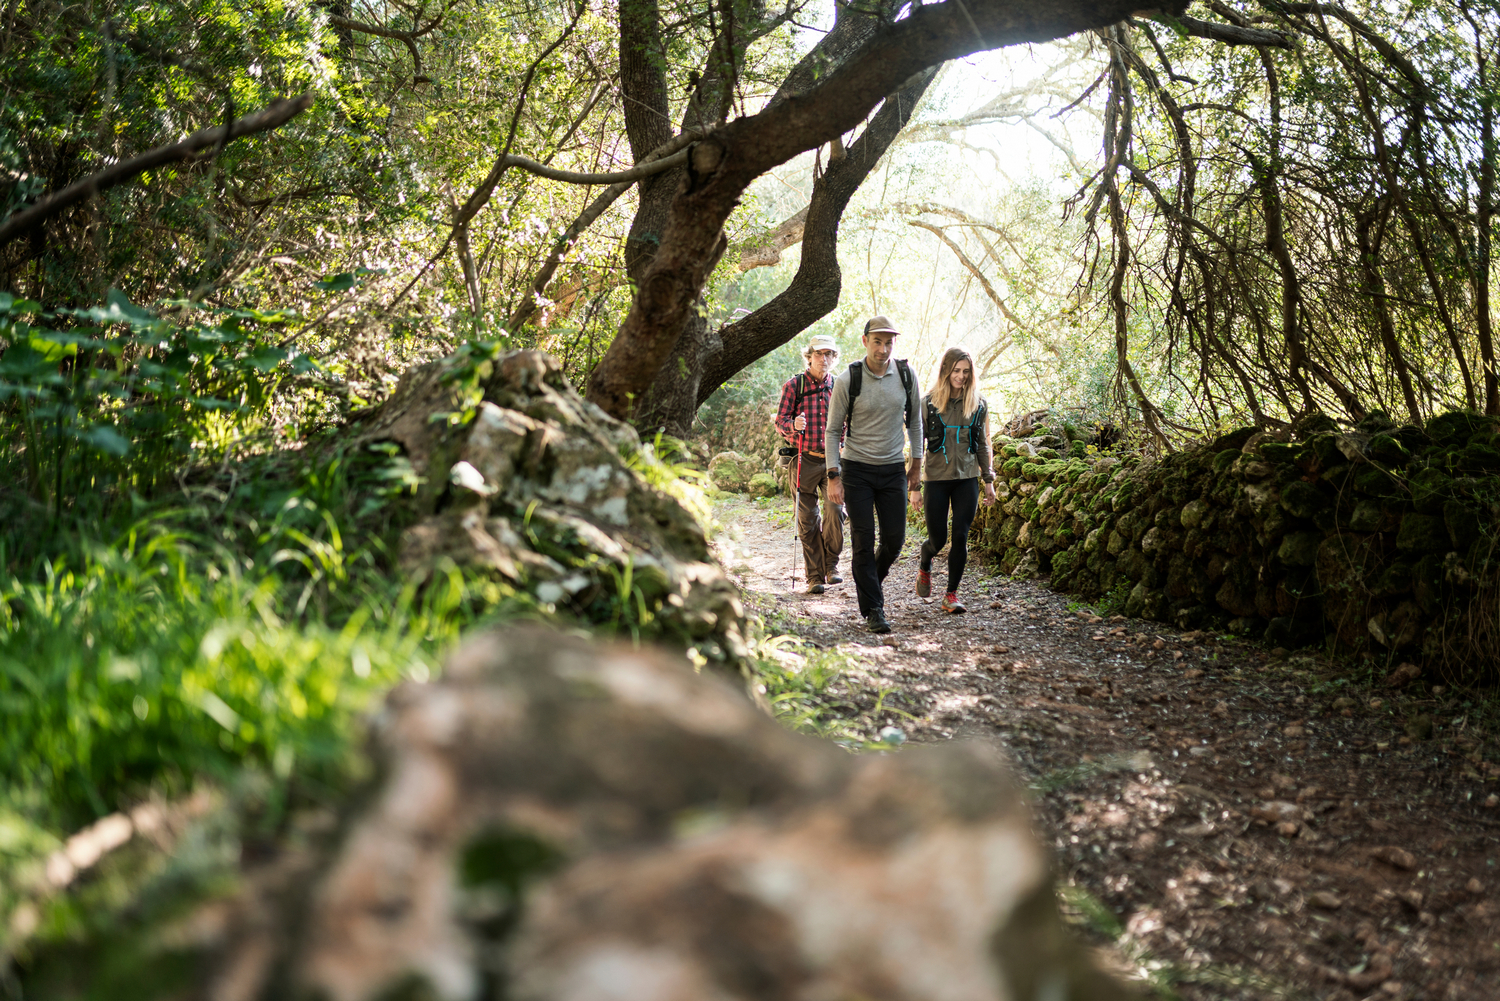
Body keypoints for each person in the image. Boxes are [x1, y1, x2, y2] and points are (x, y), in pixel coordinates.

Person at [825, 316, 923, 634]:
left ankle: (869, 584)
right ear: (865, 341)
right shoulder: (848, 379)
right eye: (877, 341)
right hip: (857, 471)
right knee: (863, 540)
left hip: (894, 468)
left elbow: (916, 424)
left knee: (895, 540)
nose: (883, 349)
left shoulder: (906, 375)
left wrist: (916, 466)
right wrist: (833, 475)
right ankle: (873, 609)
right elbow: (832, 430)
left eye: (889, 342)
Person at [914, 347, 996, 614]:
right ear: (946, 371)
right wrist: (914, 486)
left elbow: (983, 445)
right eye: (956, 371)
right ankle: (926, 562)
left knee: (960, 536)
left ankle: (951, 594)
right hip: (936, 479)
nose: (960, 376)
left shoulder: (979, 404)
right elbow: (916, 446)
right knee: (937, 540)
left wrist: (988, 481)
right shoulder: (927, 404)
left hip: (967, 479)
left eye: (966, 371)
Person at [773, 334, 845, 594]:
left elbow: (848, 422)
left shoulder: (839, 386)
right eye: (819, 353)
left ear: (834, 358)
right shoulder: (795, 386)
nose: (824, 359)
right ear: (810, 356)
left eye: (829, 354)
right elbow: (780, 420)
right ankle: (814, 576)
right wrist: (793, 425)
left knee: (836, 512)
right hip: (803, 459)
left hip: (833, 462)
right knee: (807, 519)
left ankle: (831, 565)